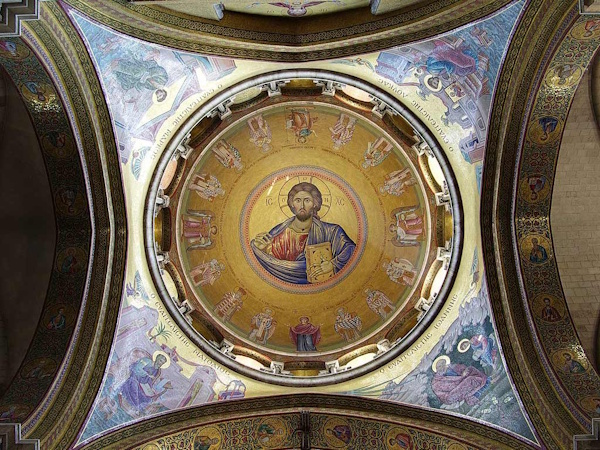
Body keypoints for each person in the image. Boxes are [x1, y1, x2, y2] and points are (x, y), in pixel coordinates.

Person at [251, 182, 356, 284]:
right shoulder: (278, 234)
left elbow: (351, 249)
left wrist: (333, 264)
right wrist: (261, 250)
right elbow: (271, 264)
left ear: (315, 204)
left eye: (307, 200)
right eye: (297, 200)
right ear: (292, 204)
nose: (302, 206)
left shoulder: (332, 232)